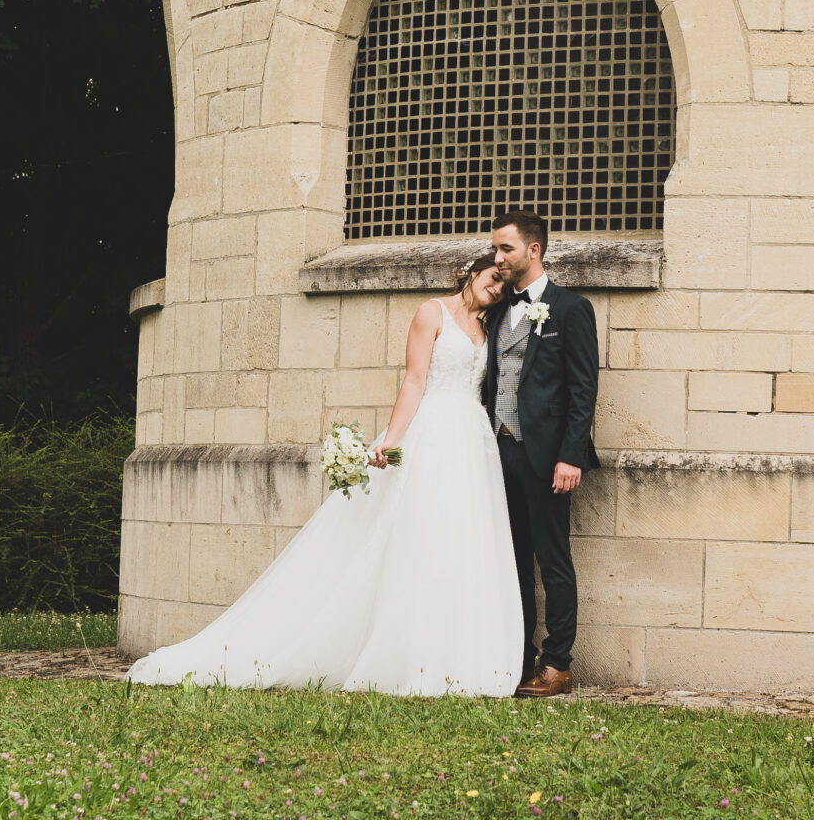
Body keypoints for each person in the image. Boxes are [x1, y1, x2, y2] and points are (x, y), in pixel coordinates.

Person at [125, 256, 523, 697]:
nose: (496, 289)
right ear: (471, 273)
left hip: (472, 441)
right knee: (418, 534)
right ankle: (405, 654)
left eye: (503, 287)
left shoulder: (489, 330)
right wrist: (390, 441)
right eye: (492, 278)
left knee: (461, 539)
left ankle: (457, 655)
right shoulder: (433, 312)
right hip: (431, 434)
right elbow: (414, 381)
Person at [484, 210, 600, 700]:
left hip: (548, 457)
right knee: (511, 560)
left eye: (506, 249)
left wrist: (570, 455)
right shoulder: (495, 311)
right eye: (495, 249)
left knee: (552, 560)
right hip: (496, 453)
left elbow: (583, 388)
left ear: (534, 250)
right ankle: (519, 655)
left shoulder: (570, 309)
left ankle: (558, 664)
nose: (497, 258)